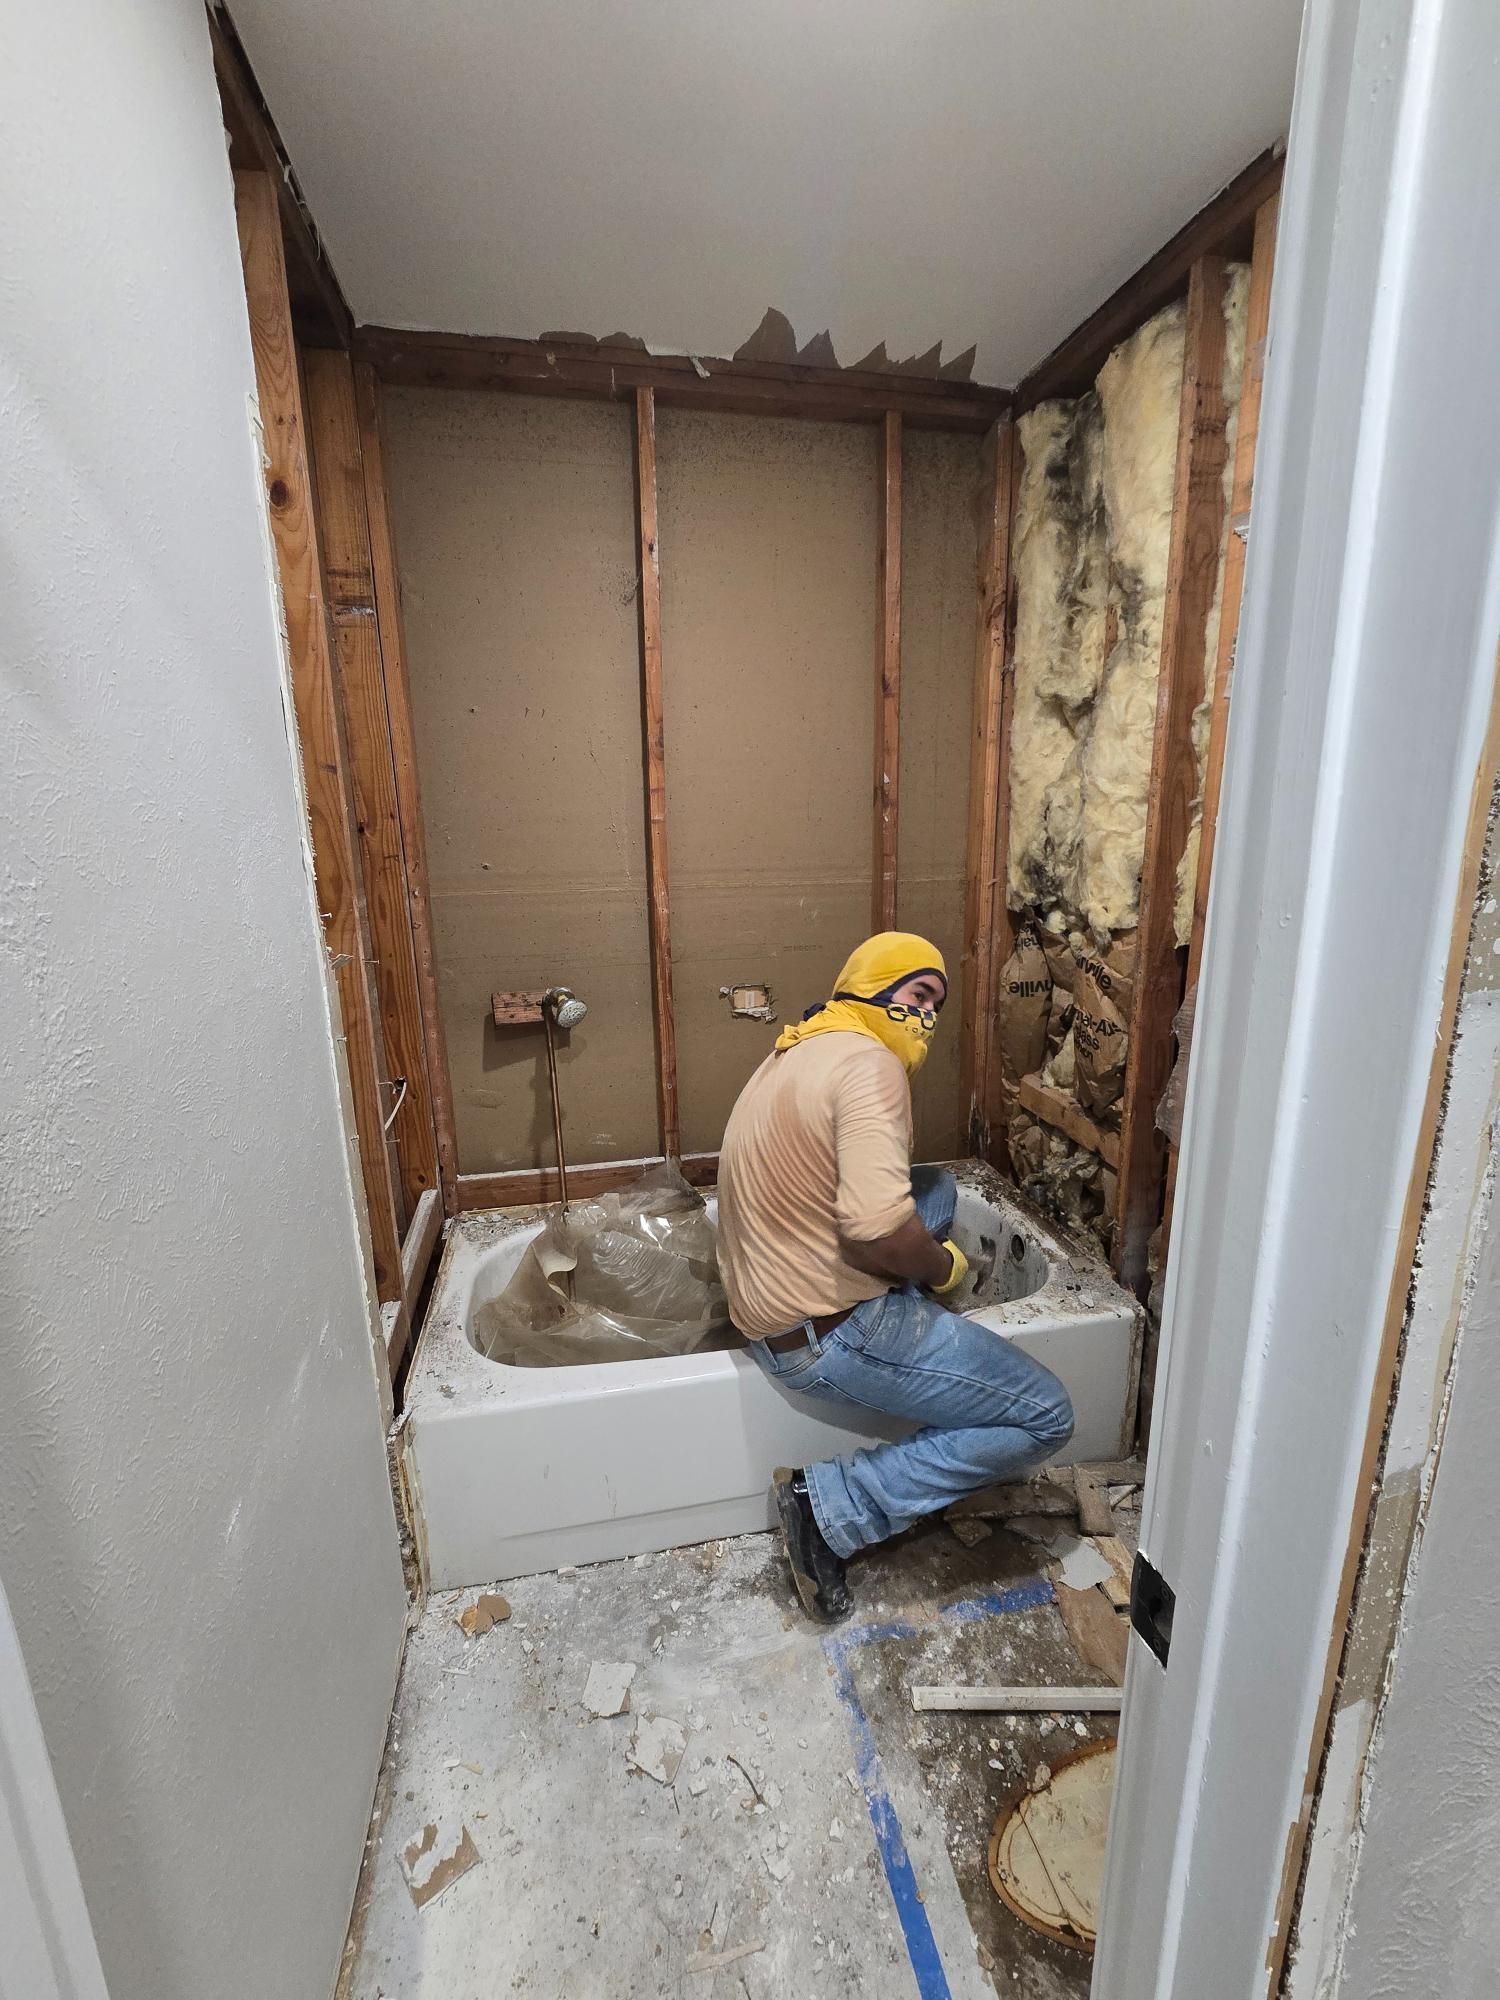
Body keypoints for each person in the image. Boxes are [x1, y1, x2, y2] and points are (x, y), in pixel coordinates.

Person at [716, 931, 1075, 1622]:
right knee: (1045, 1414)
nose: (927, 1018)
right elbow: (875, 1229)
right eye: (917, 995)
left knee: (935, 1189)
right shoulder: (869, 1065)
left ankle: (906, 1303)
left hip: (768, 1302)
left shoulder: (799, 1048)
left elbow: (883, 1203)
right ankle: (833, 1510)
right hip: (825, 1332)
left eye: (937, 1004)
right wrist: (943, 1272)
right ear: (870, 987)